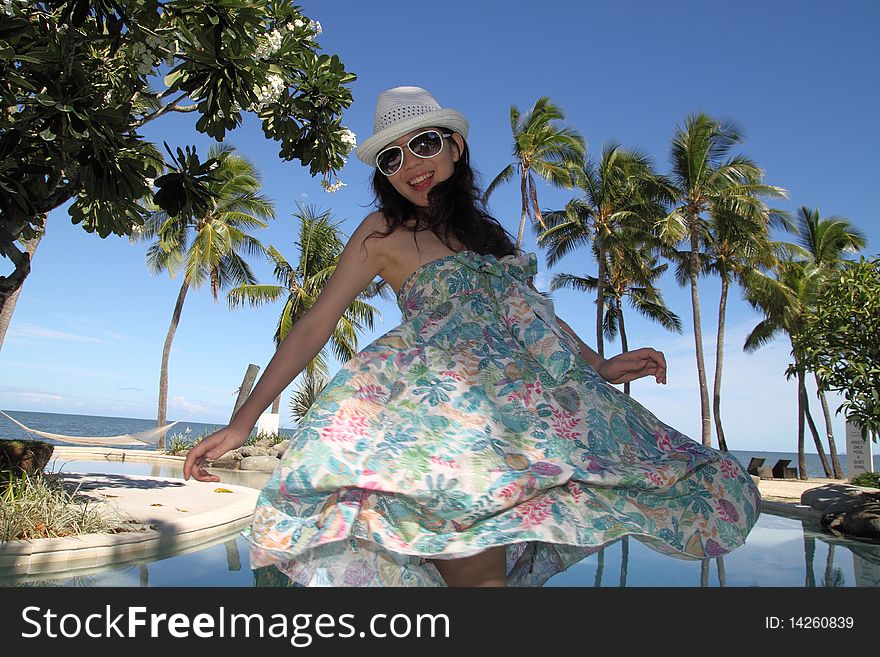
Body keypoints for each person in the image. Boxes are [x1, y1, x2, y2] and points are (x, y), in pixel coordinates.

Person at [184, 86, 761, 587]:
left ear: (455, 146)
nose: (410, 162)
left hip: (513, 422)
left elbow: (536, 320)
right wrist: (243, 421)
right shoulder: (381, 233)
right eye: (391, 157)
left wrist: (601, 365)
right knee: (475, 577)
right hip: (440, 422)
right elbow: (315, 325)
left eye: (424, 143)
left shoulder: (490, 238)